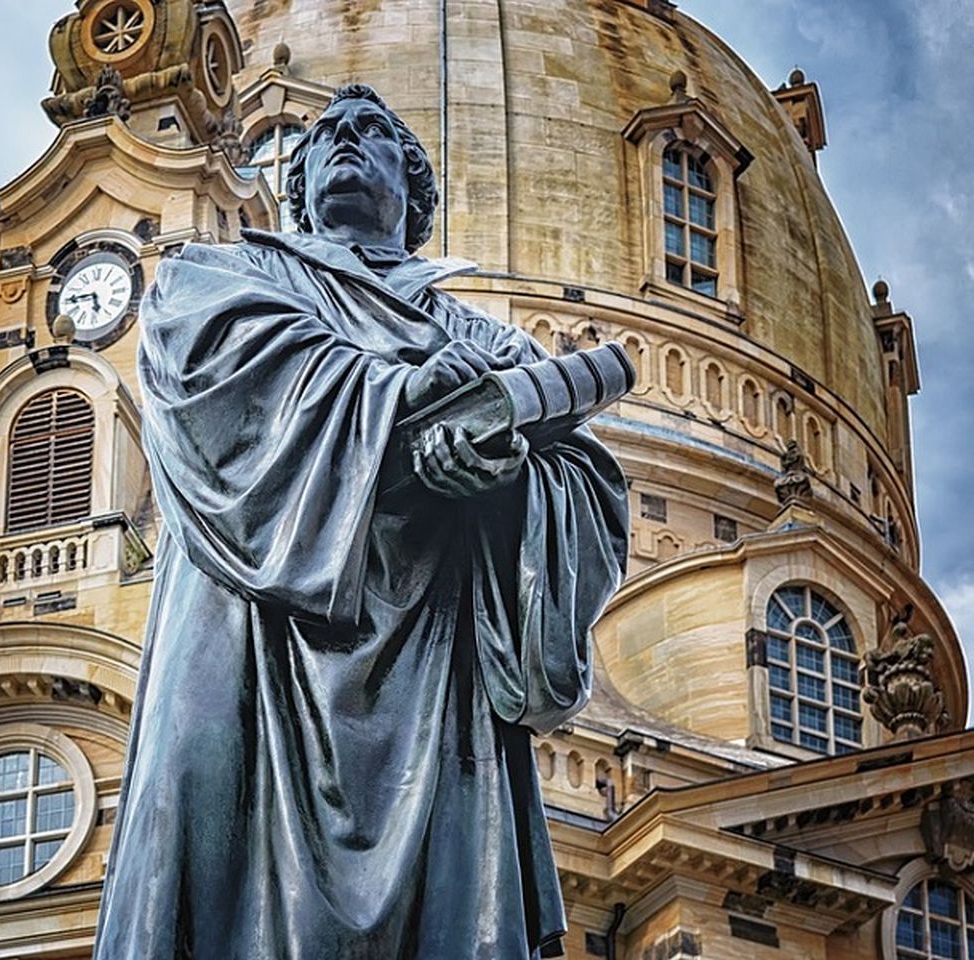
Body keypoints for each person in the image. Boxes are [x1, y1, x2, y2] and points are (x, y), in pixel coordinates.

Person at [94, 83, 629, 960]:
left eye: (372, 131)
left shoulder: (485, 340)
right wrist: (398, 391)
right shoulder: (227, 273)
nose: (346, 140)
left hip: (434, 666)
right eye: (327, 134)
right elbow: (208, 372)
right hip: (249, 639)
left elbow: (588, 490)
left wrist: (499, 480)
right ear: (298, 183)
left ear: (413, 190)